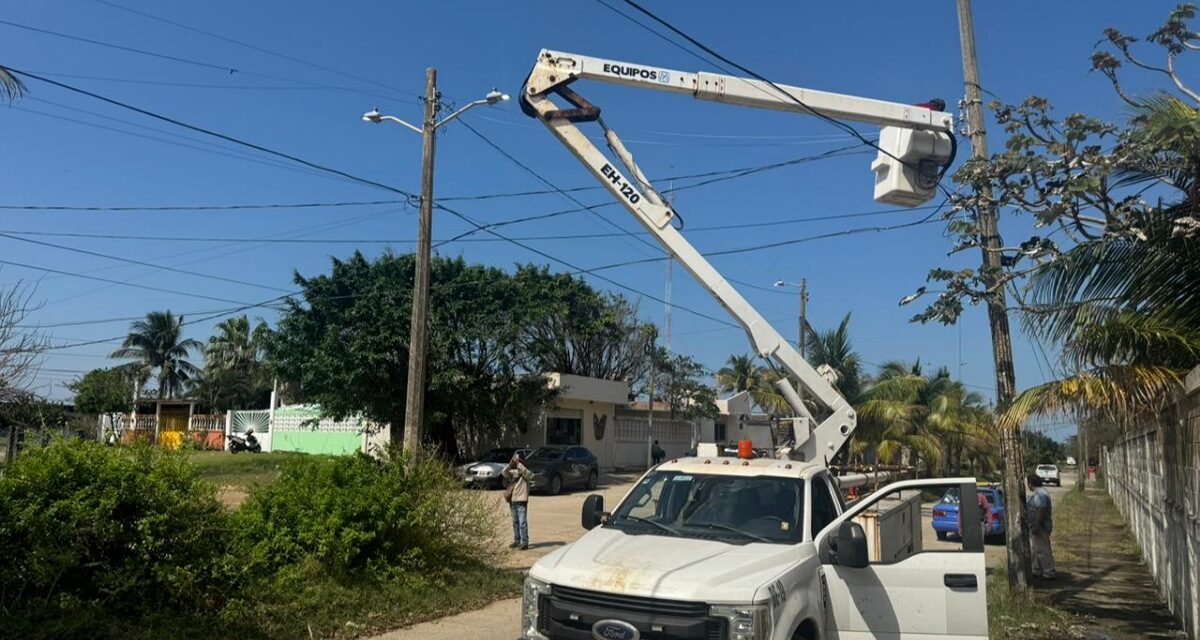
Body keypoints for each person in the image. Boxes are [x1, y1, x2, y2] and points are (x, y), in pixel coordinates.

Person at [1027, 474, 1056, 579]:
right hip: (1036, 527)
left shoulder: (1041, 495)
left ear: (1030, 483)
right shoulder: (1038, 494)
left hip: (1040, 527)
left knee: (1043, 550)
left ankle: (1049, 572)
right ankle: (1036, 570)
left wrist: (1037, 525)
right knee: (1036, 549)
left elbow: (1041, 511)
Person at [503, 453, 533, 550]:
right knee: (515, 522)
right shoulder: (514, 473)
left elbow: (530, 475)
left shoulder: (526, 474)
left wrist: (519, 464)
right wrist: (510, 464)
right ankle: (517, 540)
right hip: (513, 501)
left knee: (522, 522)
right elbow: (503, 472)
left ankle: (524, 542)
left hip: (522, 501)